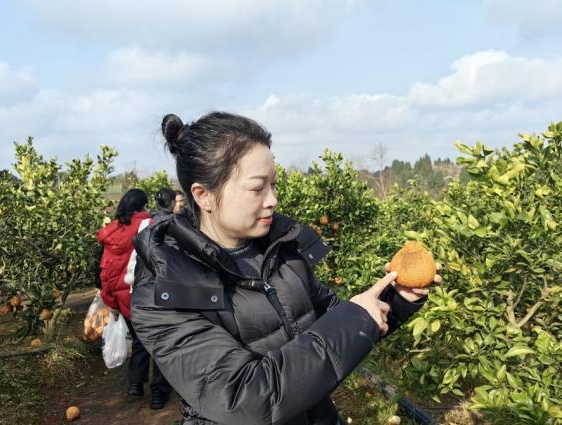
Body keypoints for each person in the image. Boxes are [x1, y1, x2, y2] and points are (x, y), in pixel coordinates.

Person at [131, 112, 441, 424]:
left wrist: (397, 299)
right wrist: (356, 318)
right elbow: (244, 396)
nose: (273, 200)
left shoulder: (279, 253)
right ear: (204, 196)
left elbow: (338, 325)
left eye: (274, 185)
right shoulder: (165, 288)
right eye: (257, 189)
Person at [97, 188, 172, 410]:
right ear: (143, 205)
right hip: (147, 293)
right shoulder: (148, 225)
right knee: (160, 341)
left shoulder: (112, 231)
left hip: (123, 297)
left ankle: (135, 383)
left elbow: (106, 271)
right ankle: (159, 393)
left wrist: (111, 301)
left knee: (140, 339)